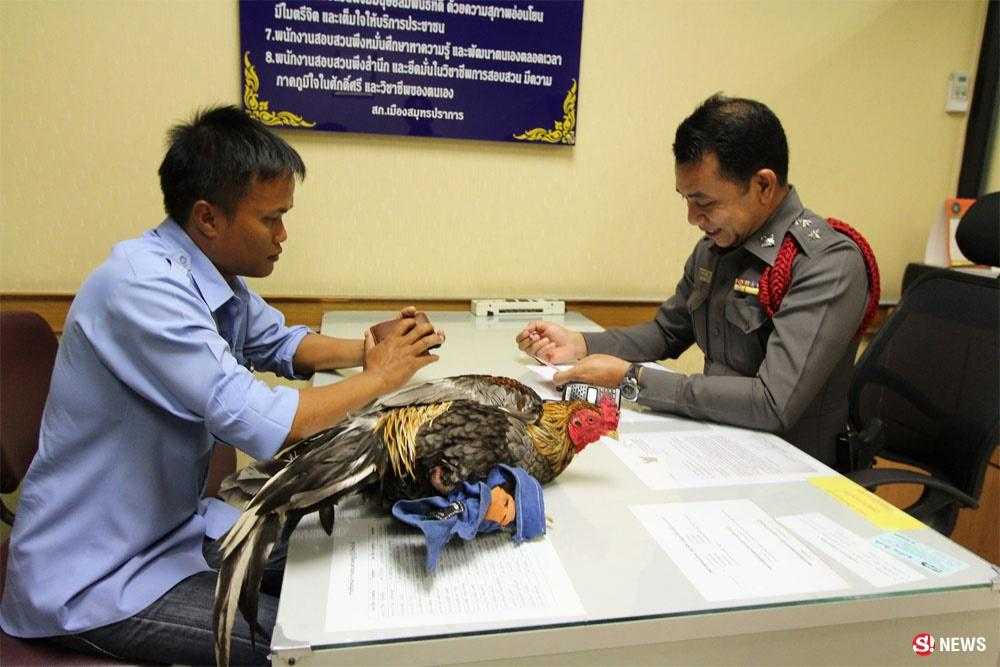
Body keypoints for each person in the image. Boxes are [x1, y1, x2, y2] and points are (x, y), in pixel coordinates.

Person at [0, 106, 443, 664]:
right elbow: (266, 424)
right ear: (209, 218)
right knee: (315, 641)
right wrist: (380, 376)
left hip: (177, 530)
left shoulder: (207, 275)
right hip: (96, 576)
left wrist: (368, 350)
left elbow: (281, 343)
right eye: (271, 219)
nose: (284, 235)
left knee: (350, 548)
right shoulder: (141, 289)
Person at [517, 94, 877, 466]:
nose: (692, 218)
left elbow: (773, 403)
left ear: (764, 186)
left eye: (704, 202)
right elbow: (667, 331)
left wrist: (632, 380)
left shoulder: (825, 264)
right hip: (716, 446)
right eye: (686, 199)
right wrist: (581, 345)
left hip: (793, 470)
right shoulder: (716, 250)